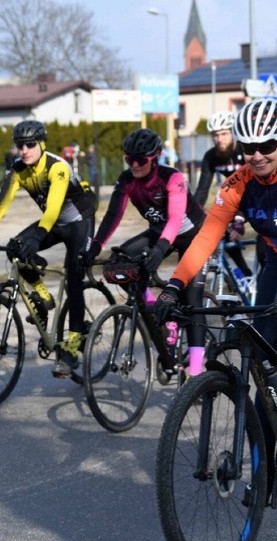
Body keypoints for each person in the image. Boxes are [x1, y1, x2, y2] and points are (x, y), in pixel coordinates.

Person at [153, 99, 277, 431]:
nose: (258, 154)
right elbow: (205, 238)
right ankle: (270, 466)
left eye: (267, 145)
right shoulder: (236, 184)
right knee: (265, 359)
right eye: (249, 147)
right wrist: (174, 286)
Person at [0, 120, 97, 378]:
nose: (24, 150)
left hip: (80, 218)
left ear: (42, 144)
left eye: (30, 144)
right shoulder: (18, 171)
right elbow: (1, 203)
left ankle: (72, 344)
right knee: (15, 248)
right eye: (20, 145)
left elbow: (54, 207)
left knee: (74, 273)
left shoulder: (57, 167)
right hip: (54, 221)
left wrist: (38, 237)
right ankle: (45, 298)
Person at [82, 128, 208, 380]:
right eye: (130, 159)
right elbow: (113, 216)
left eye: (141, 160)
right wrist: (95, 245)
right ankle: (159, 313)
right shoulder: (127, 179)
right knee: (120, 263)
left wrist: (161, 249)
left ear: (156, 157)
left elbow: (174, 219)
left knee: (192, 299)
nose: (135, 165)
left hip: (193, 234)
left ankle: (196, 369)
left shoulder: (172, 178)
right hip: (159, 231)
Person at [194, 110, 255, 278]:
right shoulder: (211, 156)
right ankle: (246, 275)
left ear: (233, 133)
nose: (219, 139)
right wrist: (192, 215)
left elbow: (254, 187)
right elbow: (202, 190)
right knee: (226, 235)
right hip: (235, 199)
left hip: (257, 196)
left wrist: (240, 218)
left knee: (266, 247)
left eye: (224, 134)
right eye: (215, 135)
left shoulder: (245, 150)